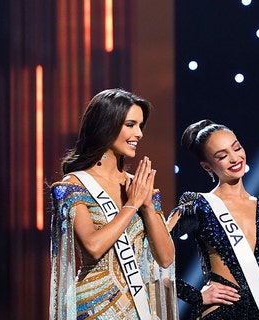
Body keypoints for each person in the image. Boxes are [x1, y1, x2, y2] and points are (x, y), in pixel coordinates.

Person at [49, 88, 178, 320]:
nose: (138, 133)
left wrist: (147, 206)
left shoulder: (138, 187)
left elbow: (166, 258)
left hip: (139, 308)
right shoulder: (74, 185)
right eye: (130, 124)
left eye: (140, 126)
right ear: (106, 125)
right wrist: (132, 205)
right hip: (94, 307)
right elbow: (93, 246)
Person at [167, 119, 259, 319]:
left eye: (237, 148)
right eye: (222, 156)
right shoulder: (199, 206)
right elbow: (149, 256)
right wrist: (195, 295)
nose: (234, 158)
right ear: (207, 166)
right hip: (221, 314)